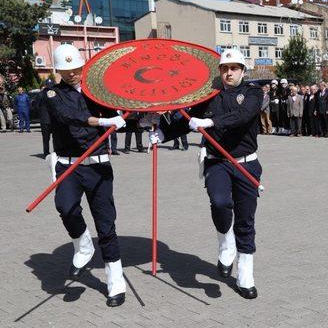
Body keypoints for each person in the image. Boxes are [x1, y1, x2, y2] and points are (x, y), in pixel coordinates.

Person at [149, 48, 263, 299]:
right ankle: (225, 240)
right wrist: (163, 134)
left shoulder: (253, 93)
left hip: (246, 164)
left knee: (246, 220)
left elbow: (243, 116)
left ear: (243, 70)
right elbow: (186, 119)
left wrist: (211, 123)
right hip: (217, 162)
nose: (229, 73)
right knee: (220, 203)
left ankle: (245, 273)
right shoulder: (209, 95)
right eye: (224, 69)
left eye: (234, 68)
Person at [45, 44, 127, 306]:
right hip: (69, 165)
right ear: (58, 70)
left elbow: (121, 112)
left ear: (83, 66)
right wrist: (102, 122)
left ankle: (116, 281)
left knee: (106, 225)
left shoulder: (98, 92)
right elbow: (68, 116)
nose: (72, 74)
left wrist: (131, 119)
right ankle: (83, 245)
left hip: (98, 165)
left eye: (76, 68)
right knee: (65, 207)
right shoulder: (51, 94)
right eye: (66, 70)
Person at [37, 79, 55, 156]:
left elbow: (36, 106)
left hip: (45, 119)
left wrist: (41, 113)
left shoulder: (40, 94)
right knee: (56, 137)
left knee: (46, 138)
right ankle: (57, 152)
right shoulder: (55, 93)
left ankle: (46, 153)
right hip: (54, 119)